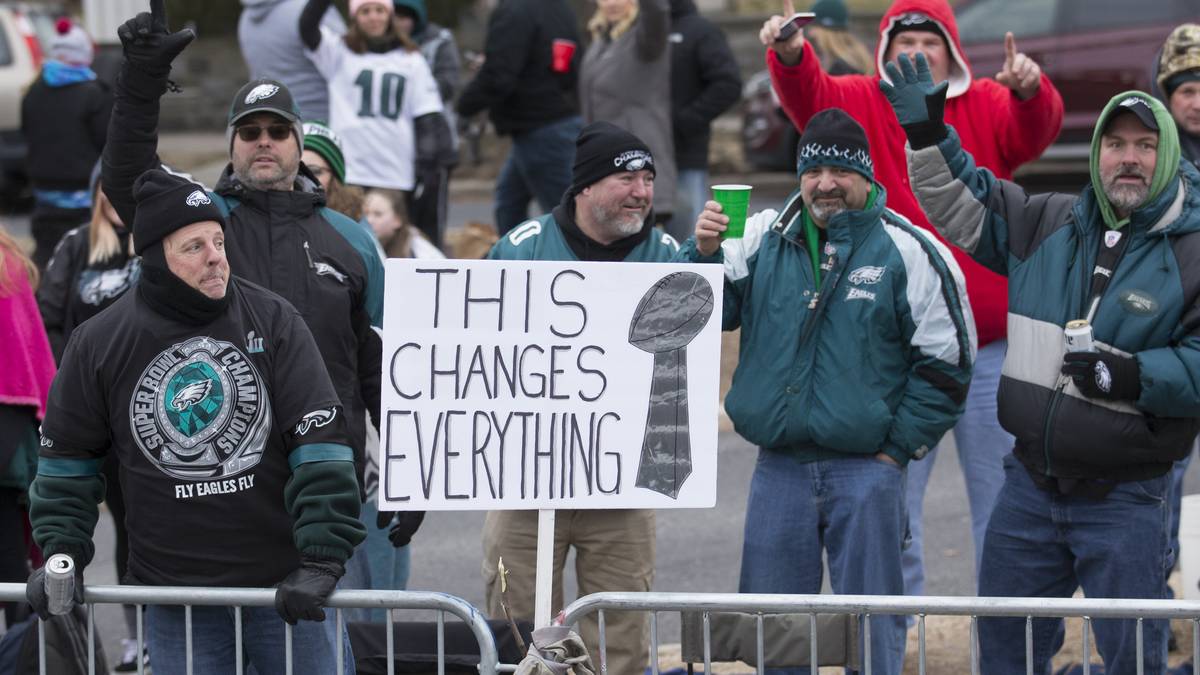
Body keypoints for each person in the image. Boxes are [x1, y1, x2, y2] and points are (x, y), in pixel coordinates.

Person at [887, 53, 1200, 673]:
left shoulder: (1192, 250)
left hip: (1129, 497)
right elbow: (963, 197)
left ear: (1167, 157)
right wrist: (927, 135)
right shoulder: (1048, 222)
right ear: (1097, 153)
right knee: (1005, 651)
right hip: (1028, 488)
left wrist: (1129, 375)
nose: (1128, 158)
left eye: (1144, 145)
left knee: (1133, 656)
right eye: (1115, 144)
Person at [759, 0, 1064, 598]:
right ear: (883, 52)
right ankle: (894, 649)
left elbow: (1035, 132)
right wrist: (790, 55)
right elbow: (809, 98)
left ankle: (999, 652)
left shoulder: (986, 103)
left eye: (930, 42)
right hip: (894, 355)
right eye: (905, 43)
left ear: (951, 53)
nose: (917, 53)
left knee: (1002, 511)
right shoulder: (862, 100)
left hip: (991, 353)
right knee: (892, 517)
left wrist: (1031, 90)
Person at [25, 169, 366, 673]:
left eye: (218, 240)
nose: (215, 257)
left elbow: (321, 447)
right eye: (194, 247)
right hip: (177, 599)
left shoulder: (273, 319)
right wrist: (62, 553)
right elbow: (65, 465)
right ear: (156, 260)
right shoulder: (99, 342)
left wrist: (321, 558)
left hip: (286, 589)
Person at [683, 107, 974, 675]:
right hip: (779, 467)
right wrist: (704, 253)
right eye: (813, 171)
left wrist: (896, 451)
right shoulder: (761, 236)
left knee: (872, 626)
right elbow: (706, 310)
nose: (826, 184)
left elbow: (947, 365)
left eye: (841, 171)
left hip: (867, 468)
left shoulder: (908, 250)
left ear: (866, 176)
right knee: (777, 629)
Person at [100, 2, 392, 550]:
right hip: (218, 483)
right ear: (232, 144)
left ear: (299, 145)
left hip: (322, 487)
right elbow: (125, 177)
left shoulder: (352, 240)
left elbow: (379, 367)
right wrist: (140, 85)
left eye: (278, 131)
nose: (264, 140)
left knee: (328, 635)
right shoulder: (201, 220)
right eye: (250, 130)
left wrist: (411, 474)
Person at [482, 122, 679, 675]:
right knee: (513, 630)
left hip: (621, 482)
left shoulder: (666, 254)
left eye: (648, 178)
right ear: (586, 186)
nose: (642, 191)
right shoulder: (520, 251)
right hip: (526, 479)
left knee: (620, 637)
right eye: (626, 177)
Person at [35, 164, 146, 672]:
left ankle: (141, 633)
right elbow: (49, 317)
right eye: (108, 185)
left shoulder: (155, 240)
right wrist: (71, 382)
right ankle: (79, 643)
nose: (116, 196)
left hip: (140, 416)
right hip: (85, 413)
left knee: (137, 527)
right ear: (96, 192)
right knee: (70, 528)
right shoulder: (77, 243)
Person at [300, 0, 454, 206]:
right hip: (351, 169)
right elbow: (307, 26)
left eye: (380, 10)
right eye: (365, 11)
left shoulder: (412, 59)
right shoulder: (339, 52)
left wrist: (424, 167)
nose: (373, 17)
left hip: (395, 171)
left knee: (389, 235)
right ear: (354, 17)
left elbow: (426, 116)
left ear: (390, 15)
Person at [456, 0, 583, 235]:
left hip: (541, 129)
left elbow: (499, 76)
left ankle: (574, 267)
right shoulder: (560, 8)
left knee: (570, 219)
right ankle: (519, 263)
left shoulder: (513, 10)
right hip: (557, 122)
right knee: (508, 204)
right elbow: (567, 64)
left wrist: (464, 107)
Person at [20, 18, 112, 270]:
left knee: (48, 263)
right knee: (85, 265)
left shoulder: (33, 91)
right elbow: (109, 146)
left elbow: (27, 134)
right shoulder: (96, 94)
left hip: (44, 198)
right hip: (85, 203)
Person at [0, 225, 55, 630]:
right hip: (11, 427)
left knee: (10, 569)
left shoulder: (7, 263)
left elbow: (22, 349)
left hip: (7, 425)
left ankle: (22, 655)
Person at [581, 0, 676, 228]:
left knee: (643, 250)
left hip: (638, 157)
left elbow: (657, 12)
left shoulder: (645, 39)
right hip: (604, 159)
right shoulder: (601, 39)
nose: (611, 3)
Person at [668, 0, 742, 242]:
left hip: (684, 157)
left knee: (689, 242)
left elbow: (728, 84)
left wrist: (684, 123)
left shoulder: (701, 31)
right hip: (641, 156)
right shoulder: (638, 30)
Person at [393, 0, 462, 248]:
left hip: (434, 145)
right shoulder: (383, 48)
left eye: (405, 16)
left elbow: (449, 84)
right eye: (395, 16)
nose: (399, 23)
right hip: (396, 147)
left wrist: (414, 92)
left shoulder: (439, 41)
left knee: (430, 223)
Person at [239, 0, 346, 121]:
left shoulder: (246, 18)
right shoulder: (311, 11)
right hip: (321, 124)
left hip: (274, 122)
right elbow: (349, 64)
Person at [303, 120, 366, 220]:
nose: (303, 177)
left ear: (334, 179)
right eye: (295, 170)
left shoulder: (354, 230)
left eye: (314, 171)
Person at [363, 188, 444, 259]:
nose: (369, 220)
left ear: (397, 220)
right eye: (365, 213)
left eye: (378, 214)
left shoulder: (420, 250)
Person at [804, 0, 874, 75]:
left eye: (814, 26)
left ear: (827, 31)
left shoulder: (841, 68)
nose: (810, 33)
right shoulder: (855, 57)